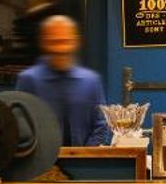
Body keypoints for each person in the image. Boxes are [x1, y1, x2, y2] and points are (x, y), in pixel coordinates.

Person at [14, 15, 111, 146]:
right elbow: (20, 127)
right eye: (55, 42)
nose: (60, 48)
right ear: (44, 42)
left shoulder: (91, 81)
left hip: (84, 157)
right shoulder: (28, 80)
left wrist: (84, 155)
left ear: (75, 42)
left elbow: (101, 126)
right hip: (40, 158)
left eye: (65, 41)